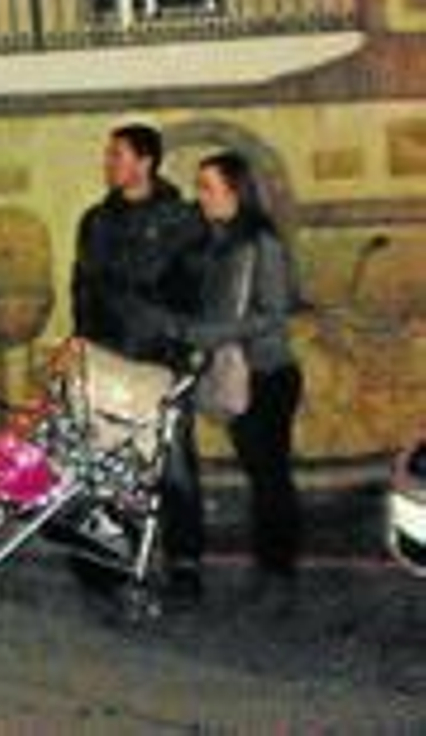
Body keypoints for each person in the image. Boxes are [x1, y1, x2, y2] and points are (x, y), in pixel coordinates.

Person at [71, 122, 207, 599]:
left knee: (172, 463)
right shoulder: (96, 221)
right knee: (106, 458)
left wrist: (188, 353)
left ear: (145, 162)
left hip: (160, 359)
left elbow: (195, 292)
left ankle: (185, 561)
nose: (108, 163)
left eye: (117, 155)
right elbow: (83, 288)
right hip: (108, 357)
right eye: (108, 155)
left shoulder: (181, 220)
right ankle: (106, 556)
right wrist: (80, 344)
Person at [176, 150, 303, 607]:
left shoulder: (261, 243)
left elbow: (273, 314)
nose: (199, 196)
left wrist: (210, 333)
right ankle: (267, 568)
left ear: (235, 191)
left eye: (207, 186)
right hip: (237, 373)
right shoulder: (218, 242)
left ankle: (279, 574)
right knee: (260, 475)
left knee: (270, 477)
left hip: (267, 374)